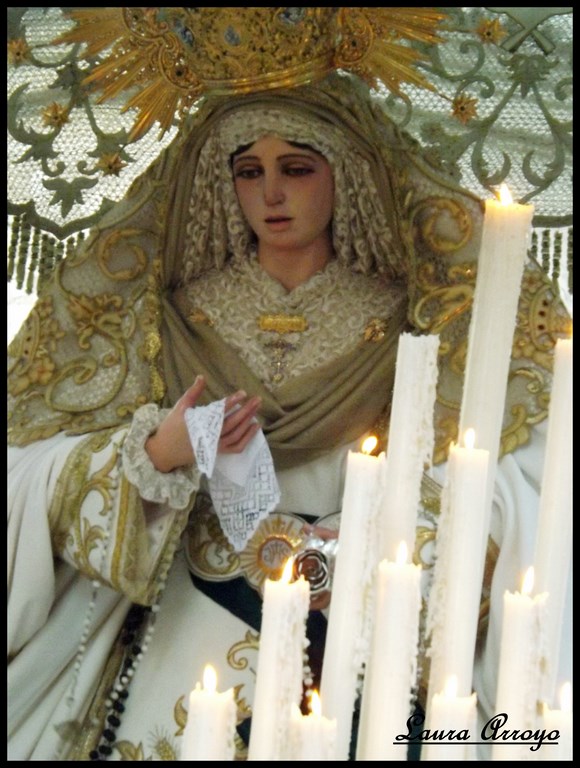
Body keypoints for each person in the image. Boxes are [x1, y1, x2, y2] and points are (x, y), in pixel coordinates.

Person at [7, 48, 570, 765]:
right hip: (185, 632)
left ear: (347, 175)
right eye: (249, 171)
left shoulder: (412, 321)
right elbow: (27, 466)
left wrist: (378, 547)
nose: (270, 193)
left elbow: (505, 478)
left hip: (353, 630)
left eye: (297, 168)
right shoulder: (166, 316)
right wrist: (156, 456)